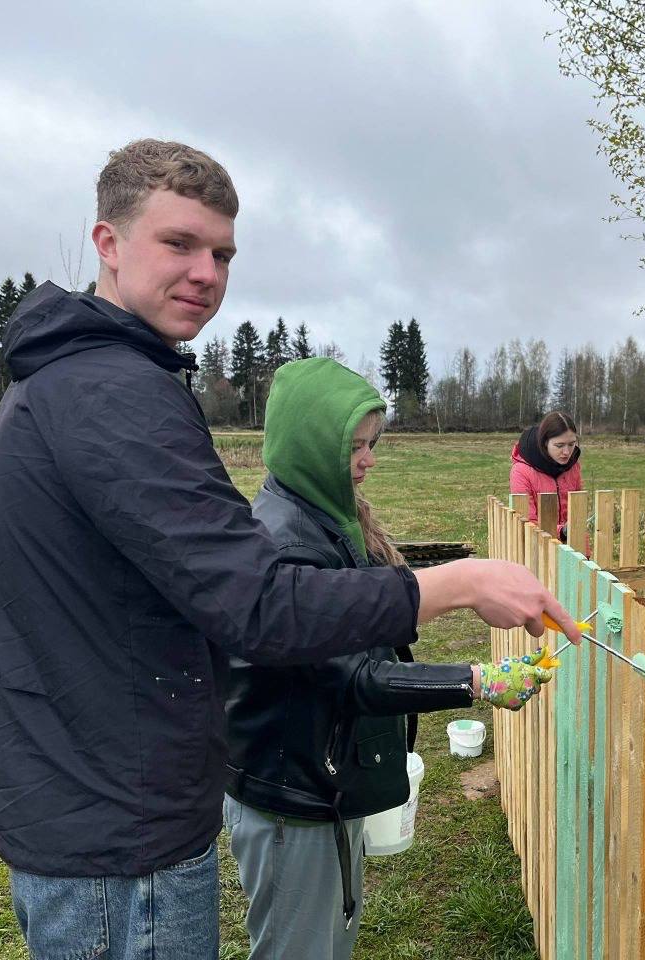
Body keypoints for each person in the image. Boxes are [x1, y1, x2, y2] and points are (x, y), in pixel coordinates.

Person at [0, 139, 580, 960]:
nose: (206, 273)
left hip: (99, 804)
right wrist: (462, 585)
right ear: (108, 243)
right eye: (179, 243)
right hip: (121, 835)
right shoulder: (110, 392)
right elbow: (259, 605)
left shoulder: (82, 378)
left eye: (223, 254)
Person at [223, 357, 552, 960]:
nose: (369, 459)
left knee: (331, 939)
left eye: (371, 443)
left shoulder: (326, 516)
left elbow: (370, 616)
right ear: (309, 445)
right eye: (354, 446)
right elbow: (352, 677)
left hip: (323, 782)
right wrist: (474, 681)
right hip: (292, 796)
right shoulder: (289, 544)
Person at [509, 411, 584, 542]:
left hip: (570, 548)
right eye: (559, 445)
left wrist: (584, 552)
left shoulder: (573, 467)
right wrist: (562, 531)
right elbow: (527, 523)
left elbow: (578, 515)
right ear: (544, 443)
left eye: (571, 444)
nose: (567, 452)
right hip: (537, 547)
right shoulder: (521, 471)